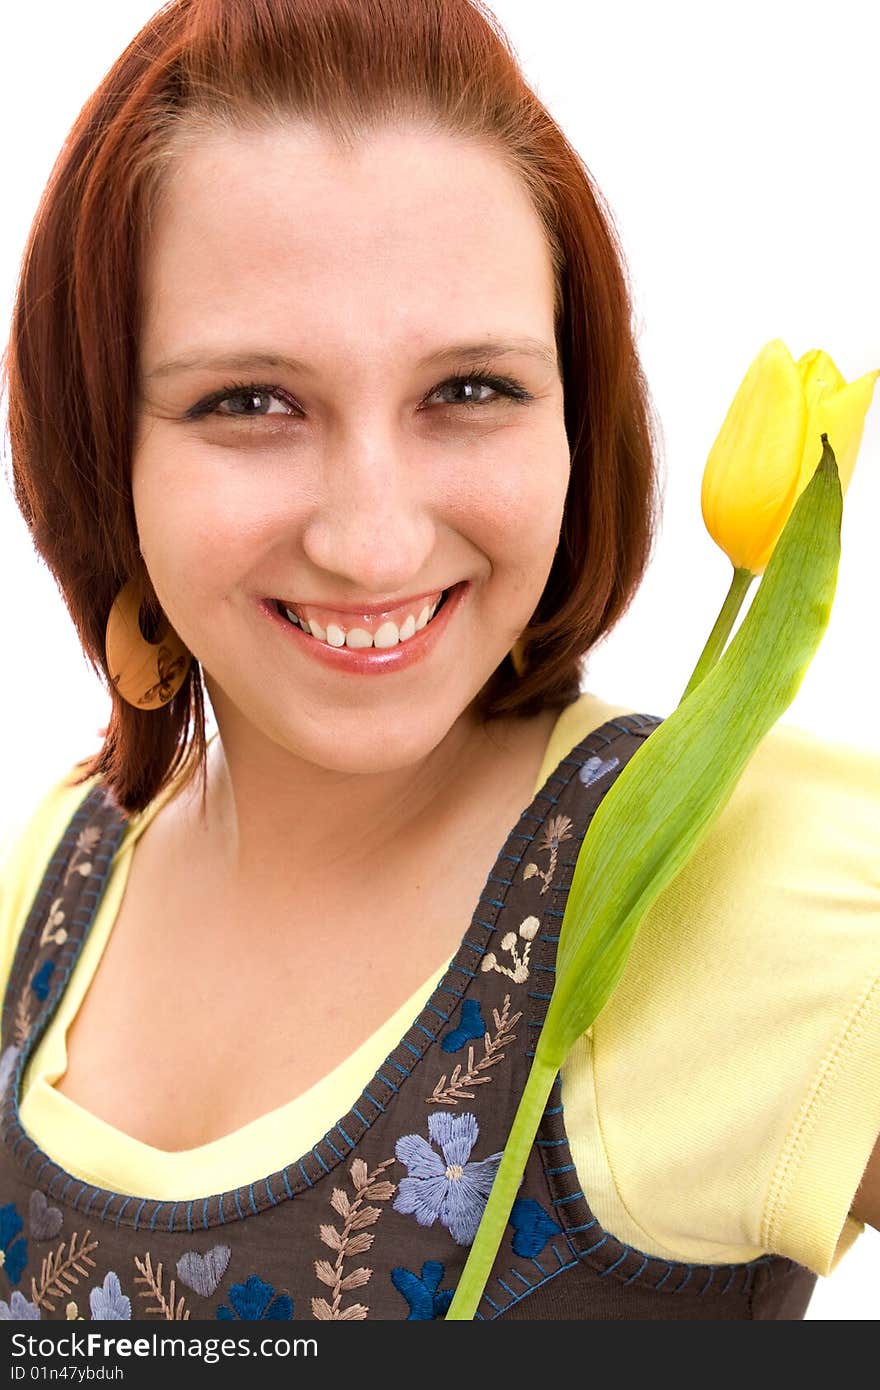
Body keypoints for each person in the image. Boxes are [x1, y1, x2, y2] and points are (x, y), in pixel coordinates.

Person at [0, 0, 877, 1323]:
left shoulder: (745, 872)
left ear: (578, 415)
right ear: (102, 448)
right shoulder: (51, 880)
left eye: (470, 389)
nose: (372, 537)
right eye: (250, 402)